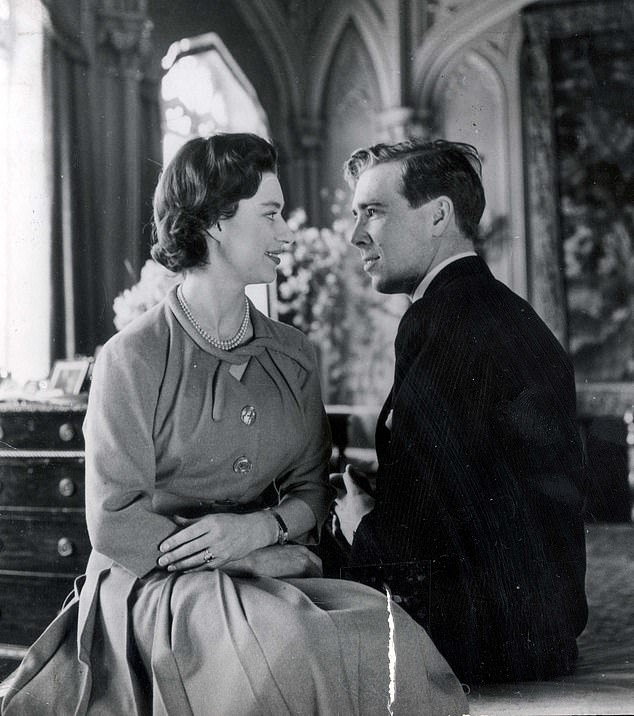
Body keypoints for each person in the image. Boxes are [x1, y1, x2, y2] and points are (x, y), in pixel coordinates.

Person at [1, 134, 468, 715]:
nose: (287, 233)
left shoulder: (293, 354)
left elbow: (311, 489)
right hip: (157, 580)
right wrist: (228, 553)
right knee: (287, 653)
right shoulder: (131, 357)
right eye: (270, 214)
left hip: (270, 566)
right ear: (217, 221)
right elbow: (114, 523)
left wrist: (261, 531)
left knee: (386, 636)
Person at [332, 139, 588, 685]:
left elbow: (416, 539)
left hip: (487, 642)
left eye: (373, 212)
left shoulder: (442, 321)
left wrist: (359, 526)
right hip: (540, 630)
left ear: (439, 215)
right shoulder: (502, 311)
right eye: (356, 215)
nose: (356, 235)